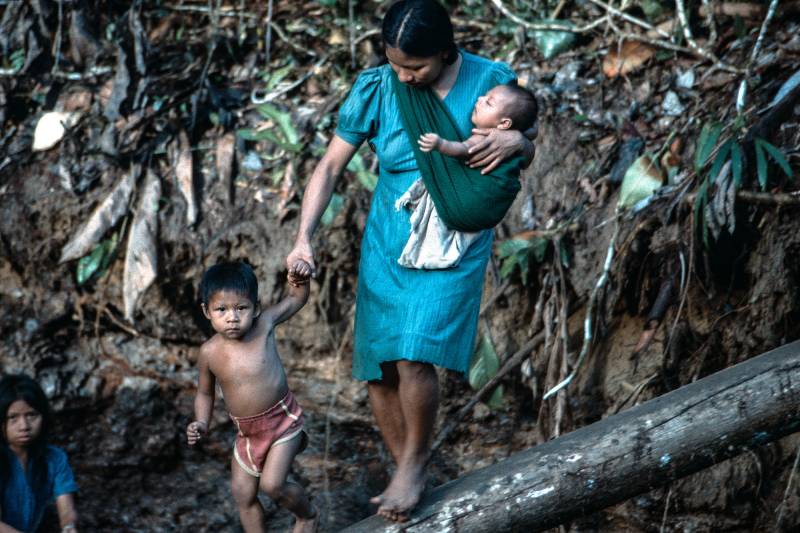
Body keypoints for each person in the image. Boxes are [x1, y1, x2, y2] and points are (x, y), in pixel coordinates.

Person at [285, 0, 535, 522]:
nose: (404, 75)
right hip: (391, 231)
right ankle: (407, 474)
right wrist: (304, 237)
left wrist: (520, 140)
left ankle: (416, 463)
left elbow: (519, 138)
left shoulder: (491, 79)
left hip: (452, 232)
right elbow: (331, 165)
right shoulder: (378, 87)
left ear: (446, 51)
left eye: (415, 67)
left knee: (414, 354)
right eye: (395, 62)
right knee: (379, 369)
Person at [186, 261, 318, 533]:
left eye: (241, 308)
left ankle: (307, 516)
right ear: (206, 311)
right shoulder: (209, 352)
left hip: (282, 422)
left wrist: (299, 279)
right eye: (221, 309)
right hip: (247, 434)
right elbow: (204, 392)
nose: (232, 317)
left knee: (273, 485)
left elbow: (296, 299)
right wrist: (201, 422)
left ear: (255, 308)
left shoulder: (265, 324)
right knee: (242, 494)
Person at [0, 375, 79, 533]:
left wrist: (69, 526)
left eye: (31, 415)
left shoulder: (55, 458)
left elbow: (66, 509)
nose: (24, 426)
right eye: (13, 418)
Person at [418, 83, 538, 158]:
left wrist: (441, 144)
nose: (480, 98)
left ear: (504, 123)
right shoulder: (513, 131)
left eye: (489, 102)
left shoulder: (485, 137)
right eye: (485, 95)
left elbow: (464, 149)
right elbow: (531, 129)